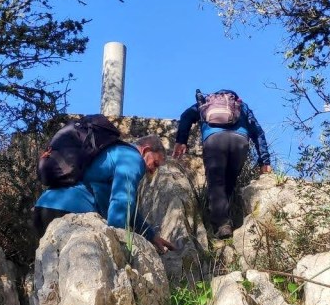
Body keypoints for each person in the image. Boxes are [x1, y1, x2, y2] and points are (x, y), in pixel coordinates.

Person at [33, 134, 176, 254]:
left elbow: (126, 207)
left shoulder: (113, 152)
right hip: (70, 214)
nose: (153, 171)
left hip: (44, 208)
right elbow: (123, 199)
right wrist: (117, 241)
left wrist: (151, 235)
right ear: (146, 150)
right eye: (155, 164)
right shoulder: (132, 158)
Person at [173, 89, 272, 239]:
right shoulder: (241, 106)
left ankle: (222, 225)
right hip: (240, 142)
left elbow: (186, 116)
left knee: (216, 183)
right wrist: (264, 161)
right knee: (230, 181)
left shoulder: (204, 102)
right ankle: (230, 216)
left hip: (214, 141)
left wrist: (181, 141)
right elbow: (258, 132)